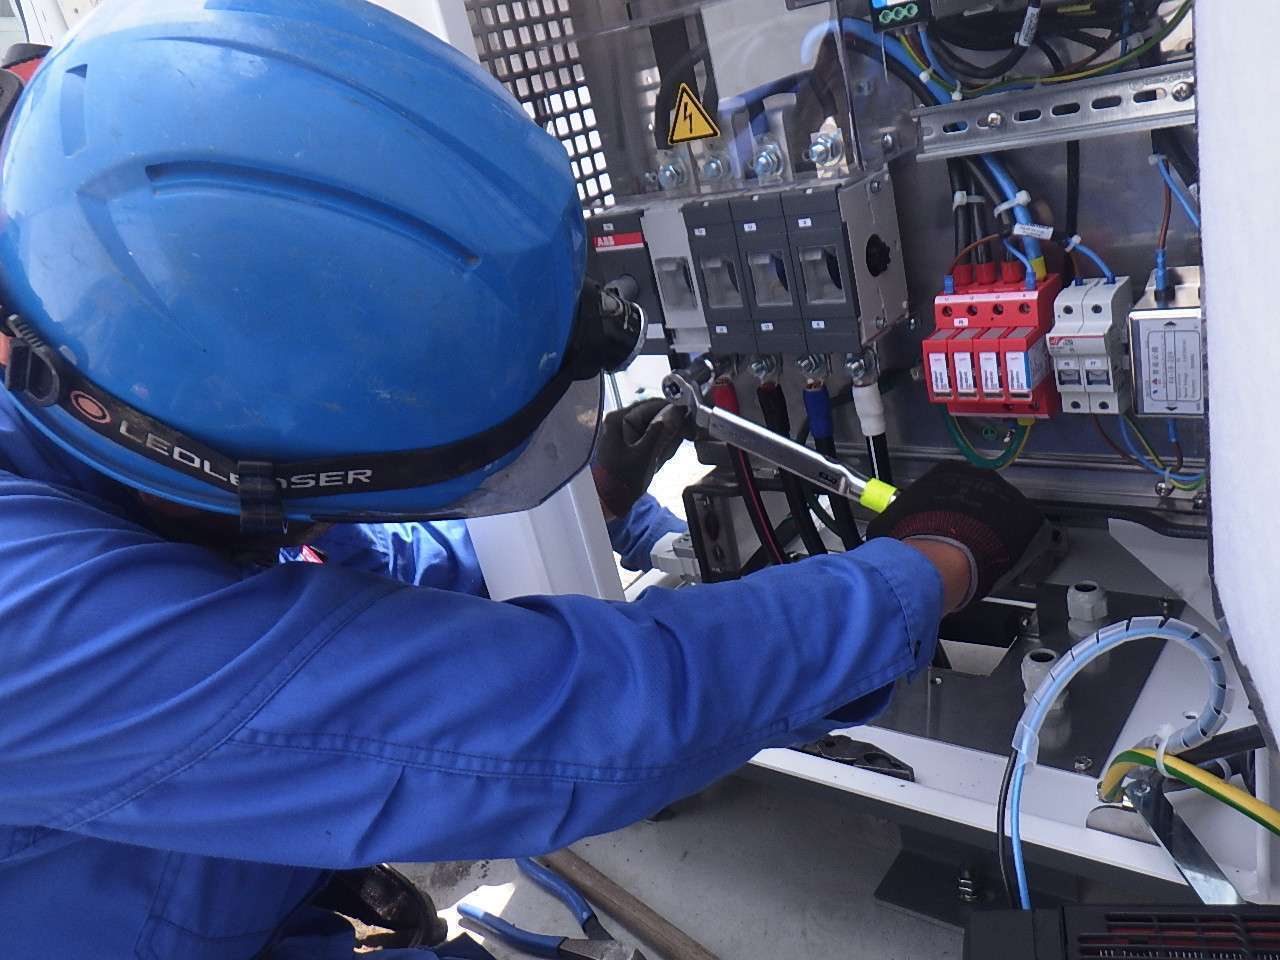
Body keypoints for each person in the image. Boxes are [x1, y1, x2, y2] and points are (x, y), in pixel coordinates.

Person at [0, 2, 1043, 957]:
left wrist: (601, 496)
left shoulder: (159, 434)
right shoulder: (36, 626)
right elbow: (556, 716)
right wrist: (923, 572)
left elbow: (351, 566)